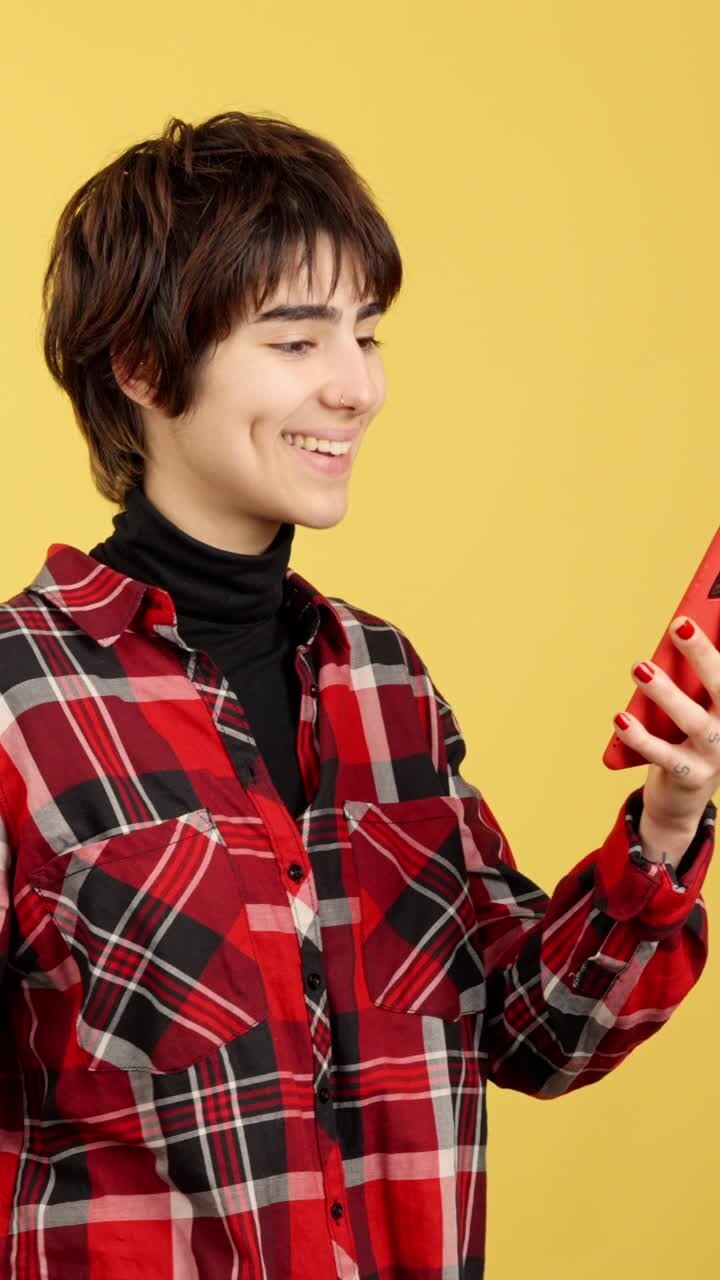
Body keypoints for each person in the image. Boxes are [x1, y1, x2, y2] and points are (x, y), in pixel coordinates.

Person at [0, 110, 716, 1280]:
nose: (356, 387)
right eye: (294, 342)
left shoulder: (382, 686)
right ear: (138, 363)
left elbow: (537, 1032)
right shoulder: (20, 700)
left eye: (367, 334)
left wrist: (671, 817)